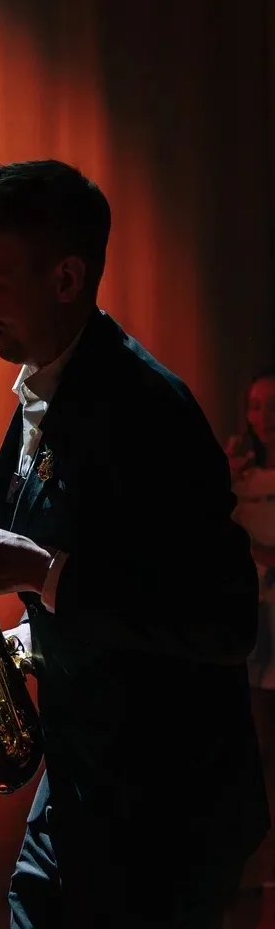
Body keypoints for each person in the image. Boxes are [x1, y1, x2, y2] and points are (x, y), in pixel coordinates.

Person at [0, 159, 269, 929]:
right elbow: (109, 569)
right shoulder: (45, 387)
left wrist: (39, 571)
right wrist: (14, 641)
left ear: (65, 278)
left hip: (162, 815)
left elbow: (220, 621)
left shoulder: (149, 410)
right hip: (82, 783)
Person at [225, 371, 275, 908]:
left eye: (274, 404)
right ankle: (254, 877)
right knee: (254, 752)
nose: (266, 416)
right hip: (254, 626)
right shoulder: (239, 475)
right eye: (257, 405)